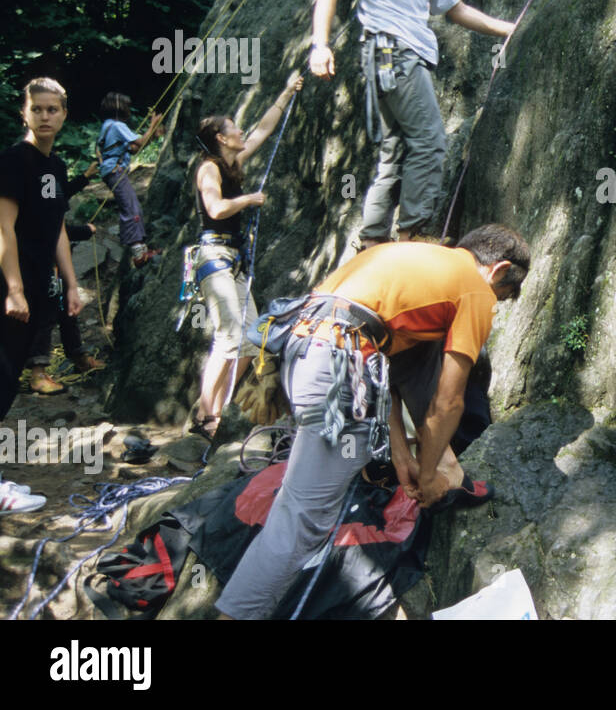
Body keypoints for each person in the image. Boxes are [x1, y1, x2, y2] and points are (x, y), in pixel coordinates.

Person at [215, 223, 530, 620]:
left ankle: (451, 469)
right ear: (498, 269)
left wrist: (402, 459)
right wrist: (428, 472)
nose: (495, 305)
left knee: (297, 510)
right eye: (501, 295)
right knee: (301, 524)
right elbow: (448, 402)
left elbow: (390, 372)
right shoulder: (473, 287)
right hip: (337, 365)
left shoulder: (417, 262)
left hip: (307, 350)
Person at [310, 0, 516, 249]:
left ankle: (372, 241)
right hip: (393, 52)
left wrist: (507, 29)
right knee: (430, 139)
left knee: (396, 149)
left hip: (403, 56)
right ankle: (411, 234)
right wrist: (320, 45)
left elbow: (456, 10)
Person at [190, 74, 304, 440]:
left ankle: (219, 409)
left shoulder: (232, 161)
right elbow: (216, 207)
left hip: (233, 259)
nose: (241, 131)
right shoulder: (208, 167)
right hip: (215, 256)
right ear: (221, 138)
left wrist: (286, 91)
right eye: (234, 129)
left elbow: (263, 131)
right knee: (229, 337)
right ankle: (206, 413)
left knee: (252, 338)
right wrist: (248, 200)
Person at [0, 78, 86, 514]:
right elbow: (3, 231)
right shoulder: (14, 162)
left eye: (54, 109)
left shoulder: (58, 169)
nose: (46, 116)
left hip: (39, 288)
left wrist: (70, 284)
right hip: (9, 288)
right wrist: (14, 290)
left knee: (10, 376)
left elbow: (57, 233)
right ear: (25, 112)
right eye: (38, 109)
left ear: (65, 114)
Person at [25, 170, 105, 394]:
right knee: (46, 313)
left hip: (53, 260)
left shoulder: (50, 173)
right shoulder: (28, 178)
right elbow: (46, 228)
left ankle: (78, 356)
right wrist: (84, 231)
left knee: (67, 309)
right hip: (38, 263)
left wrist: (86, 176)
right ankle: (37, 372)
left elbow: (60, 198)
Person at [97, 92, 164, 269]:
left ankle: (140, 249)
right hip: (115, 170)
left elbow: (134, 149)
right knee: (131, 207)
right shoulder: (117, 125)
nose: (129, 110)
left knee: (131, 205)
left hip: (111, 171)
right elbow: (140, 142)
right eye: (127, 107)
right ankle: (138, 253)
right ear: (119, 109)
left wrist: (153, 134)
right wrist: (152, 126)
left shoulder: (108, 125)